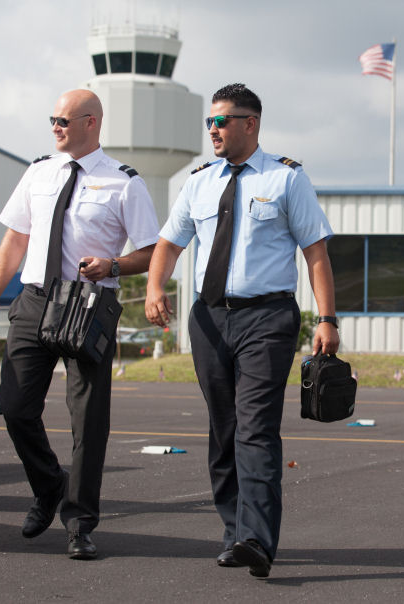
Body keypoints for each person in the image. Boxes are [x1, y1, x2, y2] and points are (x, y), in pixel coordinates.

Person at [145, 83, 340, 578]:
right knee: (223, 429)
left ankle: (257, 539)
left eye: (222, 120)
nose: (213, 129)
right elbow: (169, 243)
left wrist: (327, 318)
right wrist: (154, 288)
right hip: (209, 319)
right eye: (210, 121)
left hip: (267, 318)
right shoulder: (199, 181)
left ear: (250, 124)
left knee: (255, 428)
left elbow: (315, 253)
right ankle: (234, 531)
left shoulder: (286, 179)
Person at [0, 89, 159, 560]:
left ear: (91, 123)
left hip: (88, 306)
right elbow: (15, 240)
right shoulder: (38, 172)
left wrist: (113, 266)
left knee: (88, 421)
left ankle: (79, 524)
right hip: (35, 302)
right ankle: (48, 484)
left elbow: (152, 252)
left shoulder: (124, 183)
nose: (55, 126)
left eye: (64, 119)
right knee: (15, 407)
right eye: (52, 118)